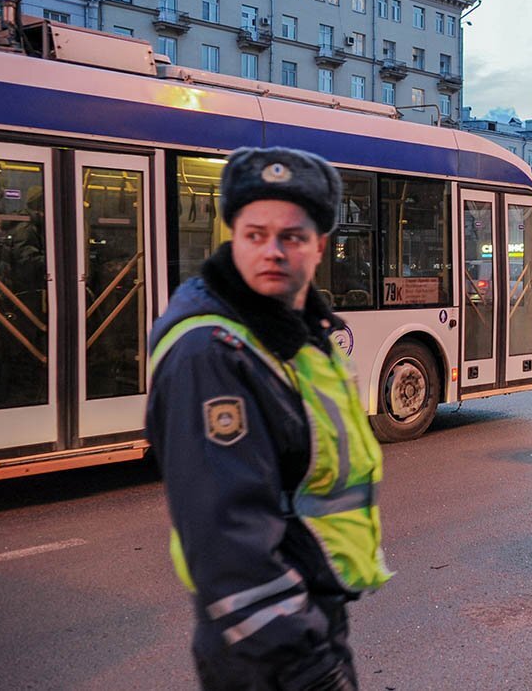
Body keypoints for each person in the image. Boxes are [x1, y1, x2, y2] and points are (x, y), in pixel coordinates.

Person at [146, 147, 392, 690]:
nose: (273, 251)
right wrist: (305, 669)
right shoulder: (212, 352)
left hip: (305, 619)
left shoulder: (298, 336)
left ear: (321, 246)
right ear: (232, 237)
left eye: (293, 237)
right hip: (268, 648)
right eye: (255, 235)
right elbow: (227, 539)